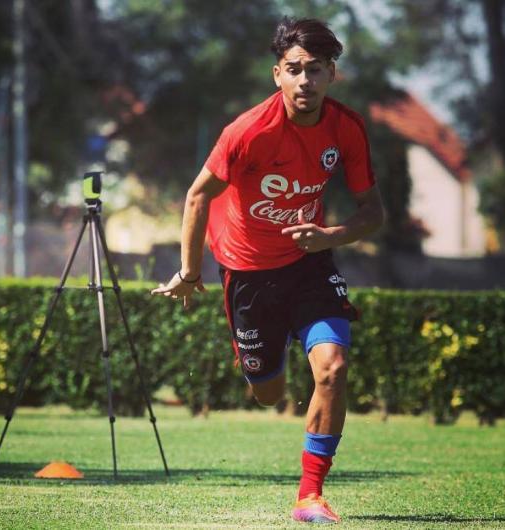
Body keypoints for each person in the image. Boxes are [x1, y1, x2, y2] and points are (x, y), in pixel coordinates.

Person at [151, 18, 384, 524]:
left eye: (315, 70)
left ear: (331, 75)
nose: (305, 80)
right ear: (277, 74)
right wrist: (191, 272)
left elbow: (373, 213)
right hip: (246, 273)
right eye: (295, 70)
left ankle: (310, 495)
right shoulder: (247, 132)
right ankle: (259, 358)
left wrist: (330, 237)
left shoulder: (346, 128)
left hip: (310, 264)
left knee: (333, 369)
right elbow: (197, 196)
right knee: (268, 394)